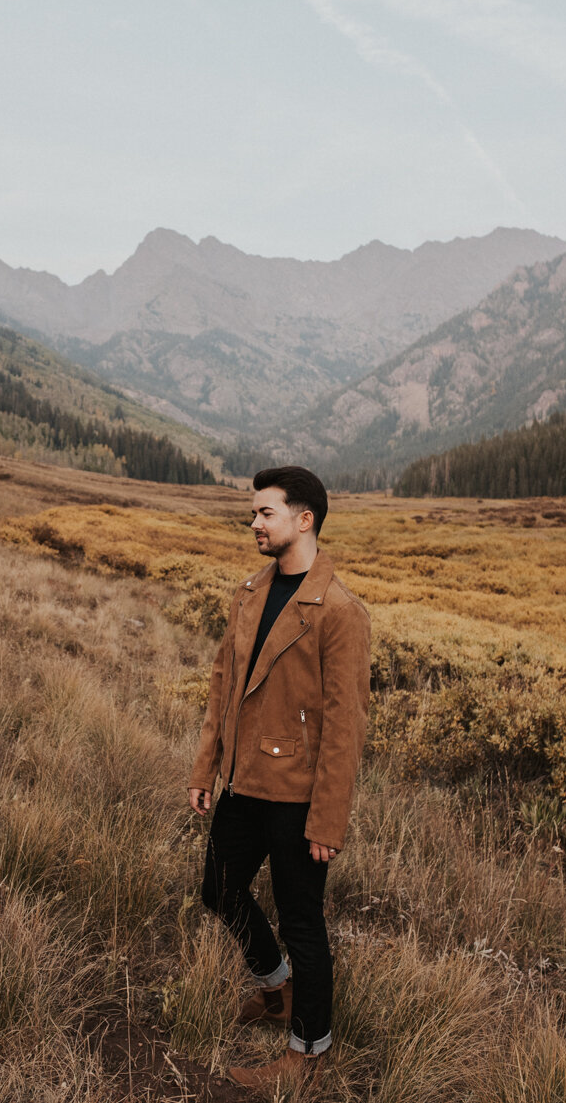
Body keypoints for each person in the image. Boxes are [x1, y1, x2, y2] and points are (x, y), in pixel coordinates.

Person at [186, 465, 371, 1091]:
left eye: (266, 512)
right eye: (255, 513)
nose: (255, 523)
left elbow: (345, 728)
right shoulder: (251, 592)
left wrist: (327, 819)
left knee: (302, 921)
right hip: (242, 783)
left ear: (304, 518)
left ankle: (307, 1054)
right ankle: (274, 985)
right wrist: (207, 765)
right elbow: (222, 686)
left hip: (297, 798)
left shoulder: (340, 612)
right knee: (217, 887)